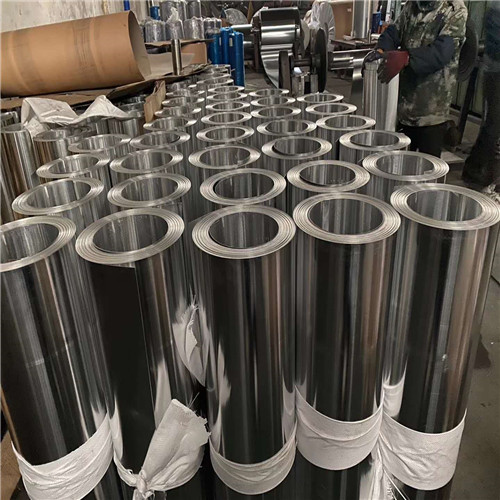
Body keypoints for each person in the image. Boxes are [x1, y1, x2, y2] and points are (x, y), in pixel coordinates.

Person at [373, 0, 467, 157]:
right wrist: (381, 50)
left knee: (427, 165)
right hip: (404, 106)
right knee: (398, 161)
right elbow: (393, 32)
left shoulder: (453, 10)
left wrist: (407, 57)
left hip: (431, 111)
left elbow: (441, 53)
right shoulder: (412, 5)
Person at [462, 3, 500, 200]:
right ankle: (477, 174)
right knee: (493, 126)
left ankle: (481, 172)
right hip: (496, 74)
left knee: (493, 127)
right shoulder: (497, 9)